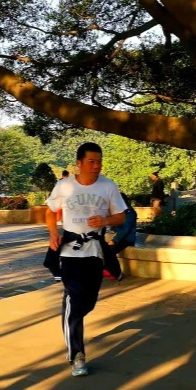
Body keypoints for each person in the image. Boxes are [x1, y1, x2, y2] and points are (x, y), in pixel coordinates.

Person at [45, 142, 127, 377]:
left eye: (99, 161)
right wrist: (53, 233)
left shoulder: (108, 186)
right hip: (70, 251)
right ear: (79, 163)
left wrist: (104, 222)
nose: (96, 166)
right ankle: (77, 356)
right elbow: (50, 211)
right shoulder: (64, 185)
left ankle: (71, 307)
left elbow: (120, 216)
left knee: (87, 302)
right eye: (92, 161)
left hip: (95, 251)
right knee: (74, 298)